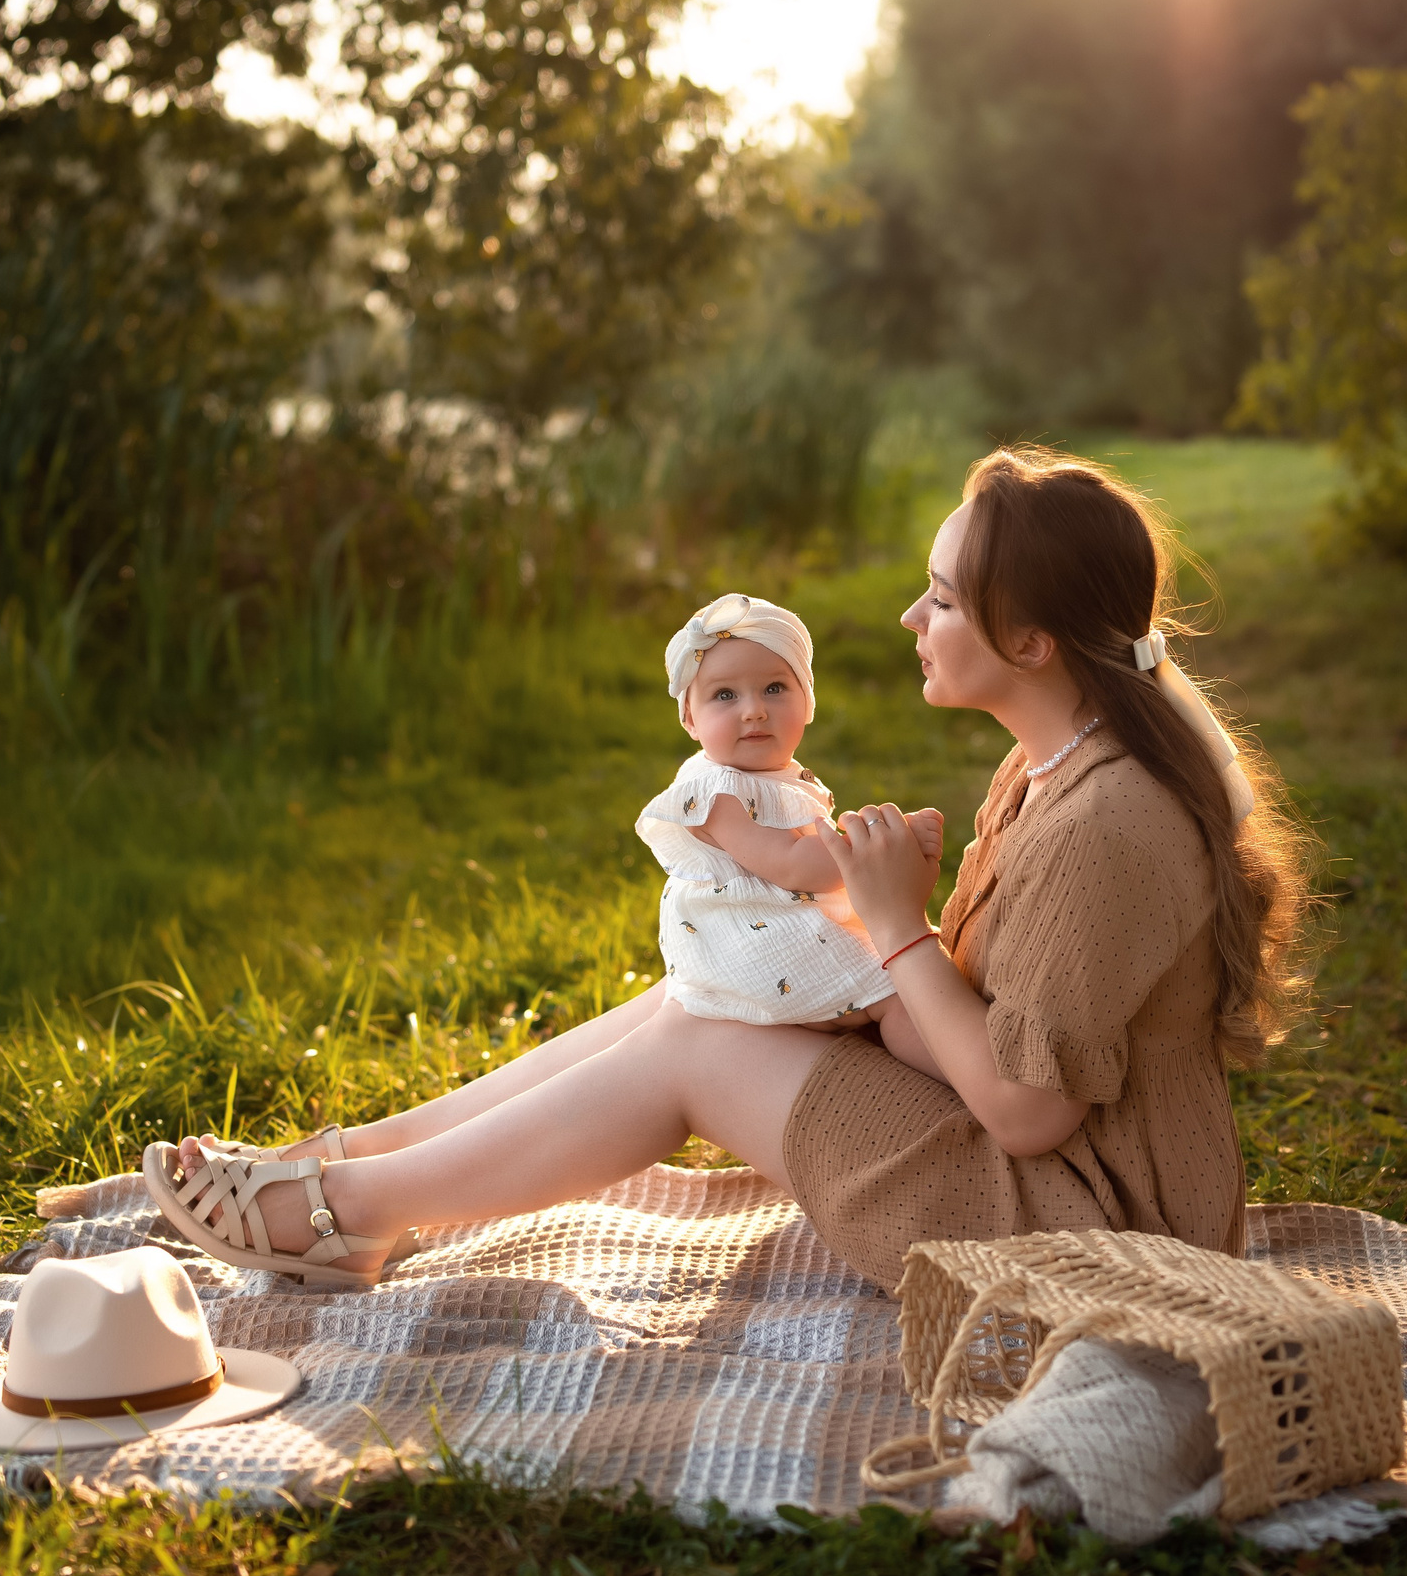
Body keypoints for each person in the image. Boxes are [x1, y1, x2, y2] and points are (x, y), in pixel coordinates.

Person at [143, 446, 1311, 1291]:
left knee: (708, 1037)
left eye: (943, 596)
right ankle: (368, 1159)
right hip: (1057, 1181)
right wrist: (855, 914)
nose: (911, 613)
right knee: (710, 989)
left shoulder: (1109, 821)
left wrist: (893, 926)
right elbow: (988, 1015)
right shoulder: (1047, 765)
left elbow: (1023, 1108)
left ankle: (339, 1216)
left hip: (1086, 1232)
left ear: (1031, 641)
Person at [638, 590, 945, 1079]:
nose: (754, 710)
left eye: (775, 688)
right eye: (725, 695)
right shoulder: (716, 794)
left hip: (782, 920)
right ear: (690, 720)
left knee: (910, 964)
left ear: (807, 702)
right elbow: (793, 865)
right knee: (895, 992)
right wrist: (890, 839)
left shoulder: (768, 777)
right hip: (760, 945)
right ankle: (964, 1076)